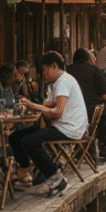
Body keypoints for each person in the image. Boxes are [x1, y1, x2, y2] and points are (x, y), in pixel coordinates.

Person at [13, 52, 87, 196]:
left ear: (54, 66)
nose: (43, 74)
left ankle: (56, 177)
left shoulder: (63, 81)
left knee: (30, 141)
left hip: (69, 128)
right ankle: (24, 172)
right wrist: (35, 106)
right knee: (15, 137)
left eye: (44, 70)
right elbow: (50, 105)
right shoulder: (58, 83)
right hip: (63, 125)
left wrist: (34, 106)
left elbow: (57, 112)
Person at [67, 48, 106, 159]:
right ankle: (105, 144)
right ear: (88, 58)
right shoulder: (93, 69)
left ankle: (95, 148)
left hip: (70, 114)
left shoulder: (67, 70)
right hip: (90, 113)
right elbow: (105, 96)